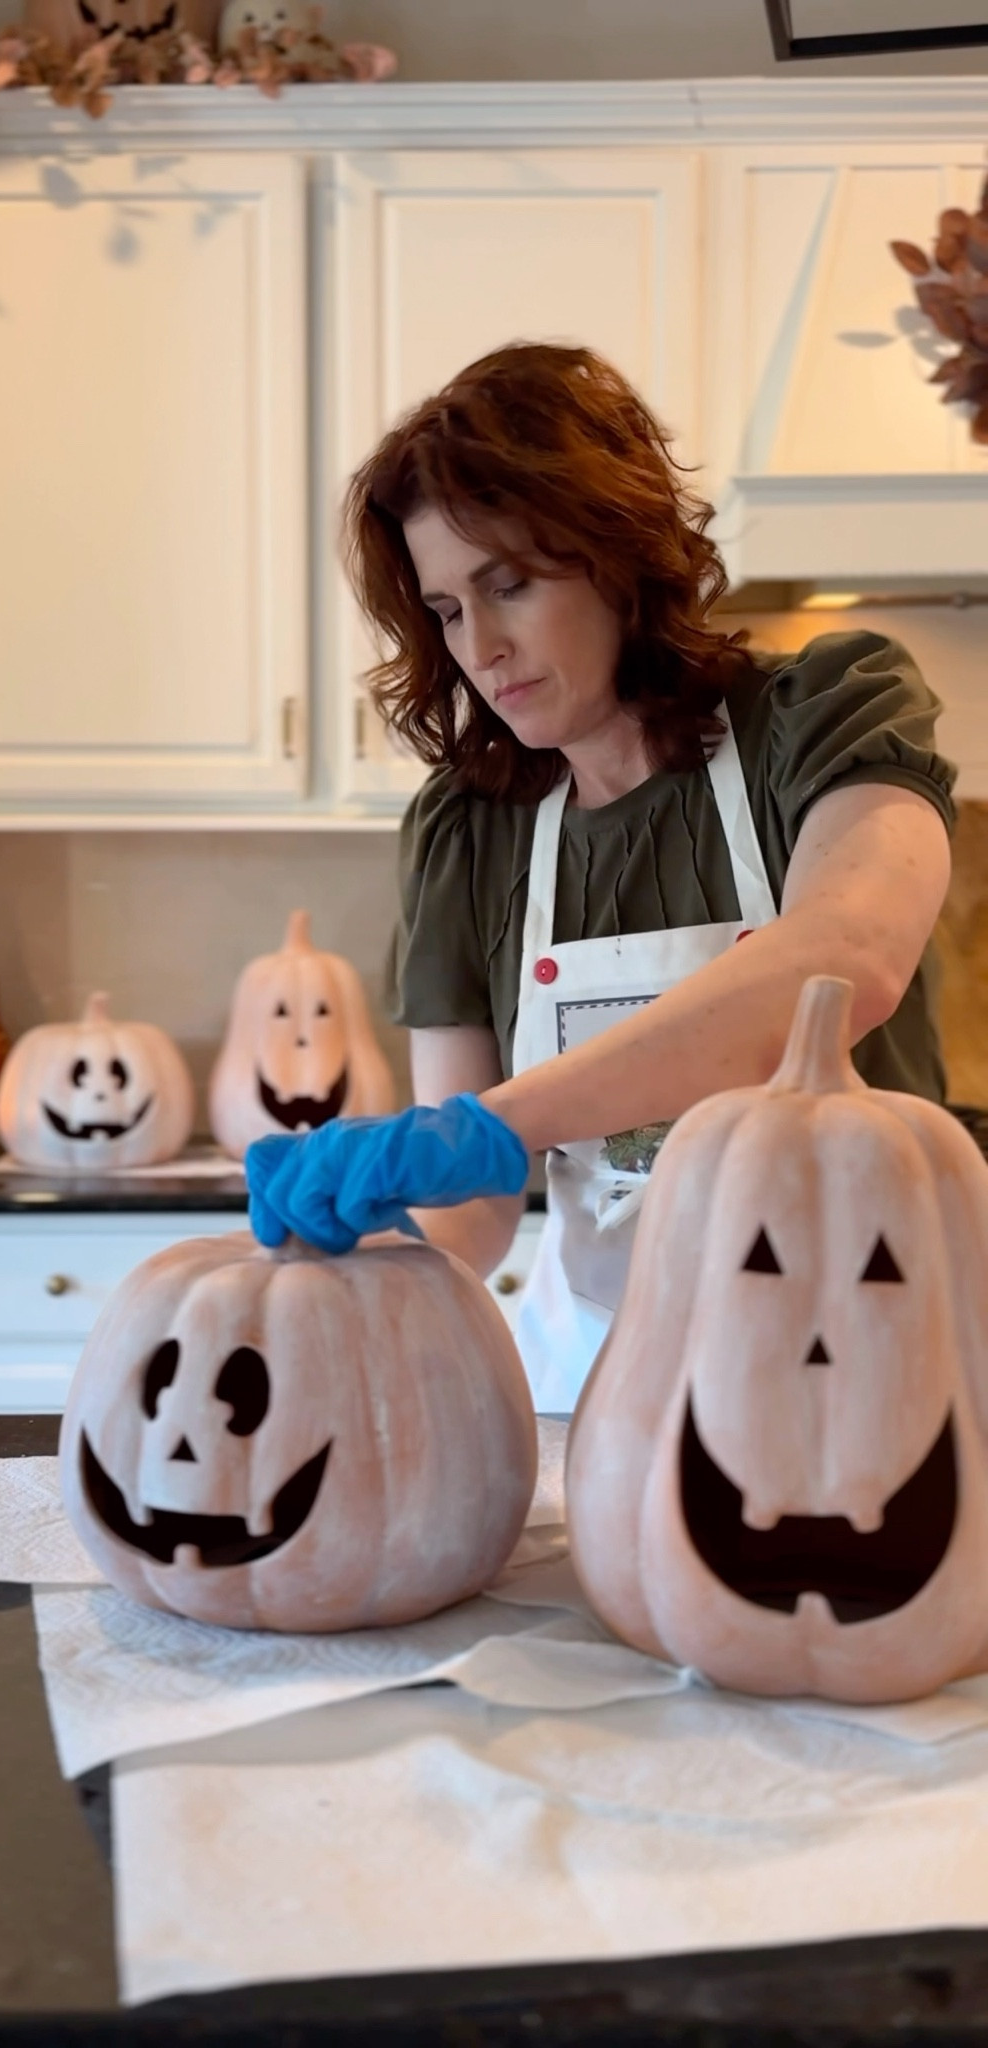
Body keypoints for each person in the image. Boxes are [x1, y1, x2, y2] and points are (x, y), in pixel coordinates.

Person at [246, 342, 955, 1412]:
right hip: (601, 1385)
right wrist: (348, 1254)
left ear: (617, 556)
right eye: (446, 609)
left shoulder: (820, 716)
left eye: (509, 585)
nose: (480, 647)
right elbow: (472, 1212)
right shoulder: (470, 829)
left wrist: (491, 1128)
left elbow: (847, 959)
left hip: (869, 1374)